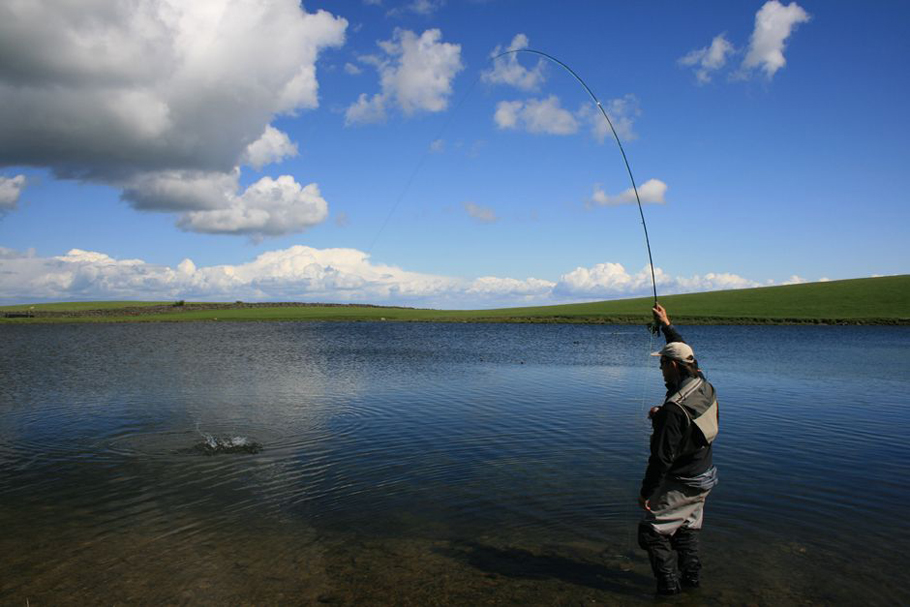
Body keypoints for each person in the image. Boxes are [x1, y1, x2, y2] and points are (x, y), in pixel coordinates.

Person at [637, 303, 719, 595]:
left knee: (650, 532)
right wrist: (666, 324)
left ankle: (669, 588)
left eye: (662, 364)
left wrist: (646, 492)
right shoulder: (703, 385)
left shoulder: (673, 412)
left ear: (673, 366)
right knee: (686, 529)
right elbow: (685, 350)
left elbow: (661, 459)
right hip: (705, 475)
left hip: (683, 479)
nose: (659, 368)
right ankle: (692, 582)